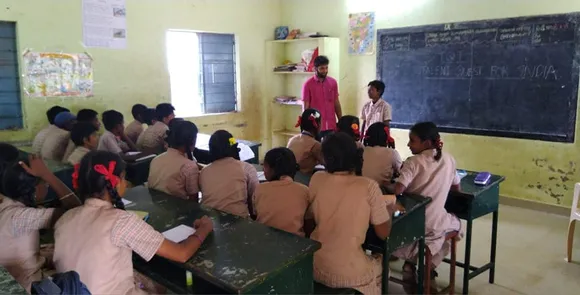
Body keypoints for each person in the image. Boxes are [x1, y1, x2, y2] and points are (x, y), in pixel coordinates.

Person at [52, 151, 214, 295]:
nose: (126, 182)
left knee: (140, 275)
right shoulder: (121, 221)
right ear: (115, 182)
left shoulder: (65, 218)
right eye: (123, 178)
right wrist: (203, 230)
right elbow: (181, 253)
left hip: (71, 290)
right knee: (156, 284)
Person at [308, 133, 391, 295]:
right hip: (349, 274)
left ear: (324, 158)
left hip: (315, 265)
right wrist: (387, 210)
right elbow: (383, 233)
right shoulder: (368, 186)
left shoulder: (316, 179)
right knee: (380, 262)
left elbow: (309, 222)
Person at [392, 122, 462, 292]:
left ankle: (412, 265)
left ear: (427, 143)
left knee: (422, 233)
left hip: (410, 224)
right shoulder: (449, 159)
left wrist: (389, 185)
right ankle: (427, 266)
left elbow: (398, 190)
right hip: (433, 224)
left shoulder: (413, 162)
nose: (408, 144)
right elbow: (457, 188)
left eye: (412, 141)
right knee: (457, 225)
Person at [0, 153, 81, 292]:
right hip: (28, 286)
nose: (47, 186)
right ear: (35, 190)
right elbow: (77, 212)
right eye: (45, 184)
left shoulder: (6, 205)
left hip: (13, 274)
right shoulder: (22, 217)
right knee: (78, 275)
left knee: (54, 251)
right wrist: (47, 174)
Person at [199, 130, 258, 217]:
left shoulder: (204, 171)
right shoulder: (246, 168)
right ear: (234, 149)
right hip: (239, 221)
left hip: (210, 221)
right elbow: (255, 199)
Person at [252, 147, 310, 236]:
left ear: (272, 169)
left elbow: (255, 214)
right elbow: (308, 221)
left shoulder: (260, 188)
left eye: (265, 166)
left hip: (264, 238)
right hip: (296, 242)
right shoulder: (304, 190)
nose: (263, 170)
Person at [148, 120, 200, 201]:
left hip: (157, 205)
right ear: (192, 140)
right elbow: (193, 200)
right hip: (177, 210)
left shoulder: (156, 159)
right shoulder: (189, 166)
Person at [302, 55, 342, 139]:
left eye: (326, 68)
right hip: (316, 127)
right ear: (315, 68)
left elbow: (336, 102)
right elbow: (306, 108)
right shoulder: (308, 85)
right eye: (322, 68)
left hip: (332, 125)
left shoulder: (333, 82)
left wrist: (341, 120)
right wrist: (306, 127)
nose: (325, 71)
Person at [362, 122, 402, 188]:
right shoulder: (392, 153)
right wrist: (393, 148)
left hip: (362, 187)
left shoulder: (362, 151)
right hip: (381, 190)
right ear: (387, 138)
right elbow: (400, 171)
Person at [287, 109, 324, 175]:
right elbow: (327, 164)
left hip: (289, 175)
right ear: (317, 124)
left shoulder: (292, 139)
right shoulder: (314, 144)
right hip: (302, 179)